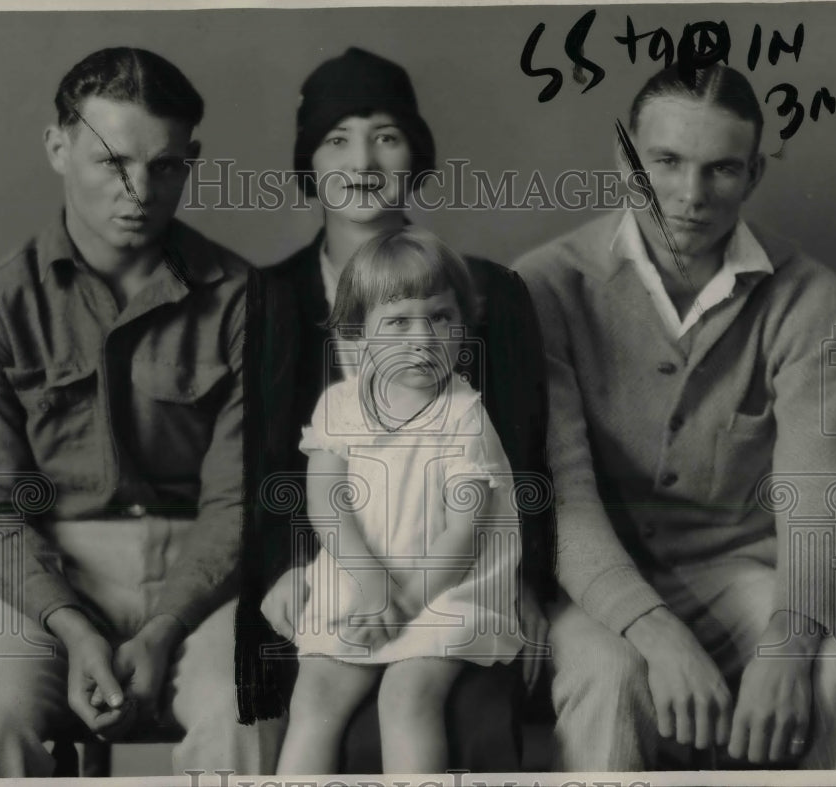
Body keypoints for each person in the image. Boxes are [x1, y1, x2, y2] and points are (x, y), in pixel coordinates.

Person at [514, 62, 836, 771]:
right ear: (627, 159)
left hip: (740, 573)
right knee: (611, 678)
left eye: (721, 169)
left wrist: (786, 642)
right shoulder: (544, 284)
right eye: (666, 162)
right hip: (588, 588)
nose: (690, 196)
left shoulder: (808, 295)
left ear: (753, 176)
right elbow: (560, 492)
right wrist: (653, 630)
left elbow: (822, 490)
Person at [0, 47, 283, 777]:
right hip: (41, 580)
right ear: (58, 147)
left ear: (192, 160)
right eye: (111, 161)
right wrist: (72, 624)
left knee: (248, 726)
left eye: (165, 166)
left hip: (204, 583)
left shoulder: (245, 299)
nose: (138, 190)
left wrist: (162, 627)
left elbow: (236, 500)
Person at [254, 47, 555, 771]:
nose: (362, 160)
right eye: (337, 138)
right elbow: (273, 467)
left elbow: (524, 459)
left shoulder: (485, 296)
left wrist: (529, 582)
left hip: (455, 575)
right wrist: (294, 569)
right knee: (306, 699)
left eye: (386, 136)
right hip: (335, 570)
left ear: (416, 155)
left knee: (437, 708)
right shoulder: (269, 297)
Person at [277, 227, 524, 773]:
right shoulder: (340, 404)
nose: (425, 339)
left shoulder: (464, 416)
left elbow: (464, 535)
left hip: (446, 589)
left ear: (465, 324)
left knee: (407, 696)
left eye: (441, 317)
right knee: (313, 699)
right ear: (356, 336)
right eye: (398, 322)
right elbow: (327, 500)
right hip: (362, 576)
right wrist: (369, 585)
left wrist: (404, 604)